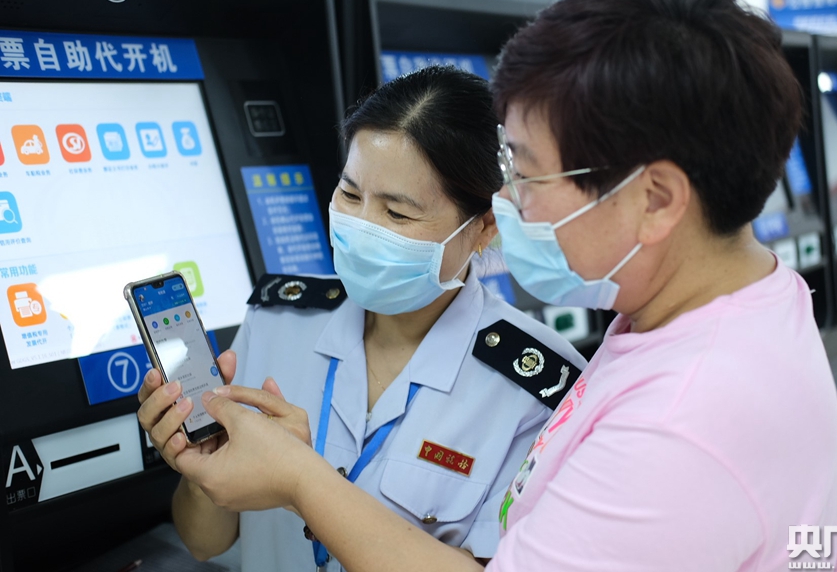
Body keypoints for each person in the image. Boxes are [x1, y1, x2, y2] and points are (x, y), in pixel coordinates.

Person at [171, 0, 837, 571]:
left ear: (655, 199)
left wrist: (300, 479)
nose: (508, 203)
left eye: (529, 173)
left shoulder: (681, 428)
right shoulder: (723, 311)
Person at [136, 66, 587, 571]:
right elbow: (204, 542)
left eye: (397, 214)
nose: (361, 227)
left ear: (484, 228)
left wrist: (298, 481)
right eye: (350, 195)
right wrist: (200, 467)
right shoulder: (276, 319)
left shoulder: (537, 391)